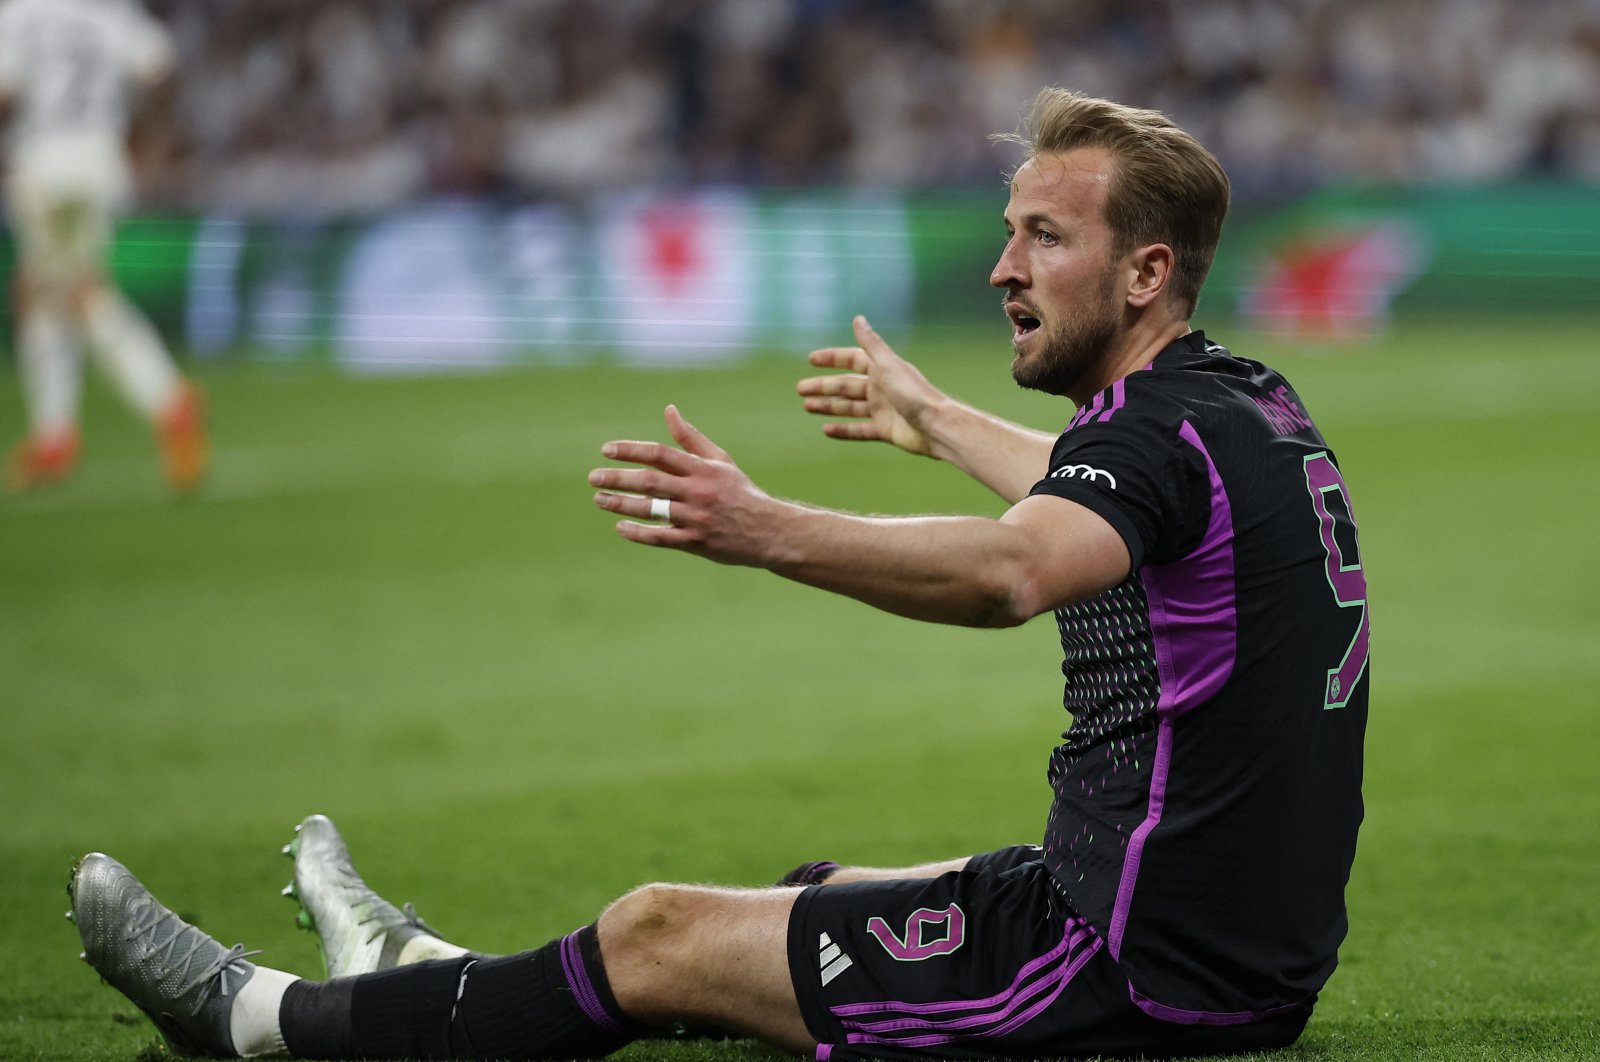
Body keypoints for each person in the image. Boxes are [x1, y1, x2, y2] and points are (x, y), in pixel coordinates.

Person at [66, 87, 1369, 1059]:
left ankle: (252, 1017)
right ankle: (425, 978)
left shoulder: (1149, 441)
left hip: (1130, 966)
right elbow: (1107, 499)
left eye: (1044, 236)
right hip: (1218, 931)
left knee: (656, 930)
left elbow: (1018, 571)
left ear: (1147, 271)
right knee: (806, 896)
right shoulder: (1239, 406)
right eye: (1009, 230)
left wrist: (761, 525)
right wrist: (935, 424)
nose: (1002, 267)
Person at [0, 0, 206, 493]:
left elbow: (5, 92)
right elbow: (160, 64)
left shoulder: (17, 14)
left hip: (49, 165)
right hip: (98, 160)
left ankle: (171, 402)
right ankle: (54, 436)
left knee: (80, 292)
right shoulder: (106, 11)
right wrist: (137, 136)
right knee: (39, 293)